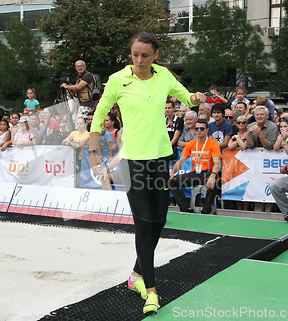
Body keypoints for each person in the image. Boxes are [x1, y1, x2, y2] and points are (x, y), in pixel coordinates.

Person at [88, 32, 206, 316]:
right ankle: (150, 290)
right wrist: (93, 153)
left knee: (159, 220)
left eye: (145, 55)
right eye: (134, 54)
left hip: (159, 157)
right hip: (132, 161)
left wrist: (195, 97)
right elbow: (97, 115)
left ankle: (135, 275)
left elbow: (185, 96)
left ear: (155, 55)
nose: (139, 60)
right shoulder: (118, 79)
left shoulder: (164, 74)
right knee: (143, 223)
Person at [169, 119, 221, 213]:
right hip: (195, 173)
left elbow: (217, 162)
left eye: (202, 128)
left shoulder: (213, 144)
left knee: (215, 182)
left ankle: (206, 209)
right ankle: (185, 208)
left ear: (207, 130)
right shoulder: (191, 143)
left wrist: (213, 175)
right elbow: (181, 161)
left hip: (208, 173)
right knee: (172, 181)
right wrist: (172, 173)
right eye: (197, 128)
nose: (199, 130)